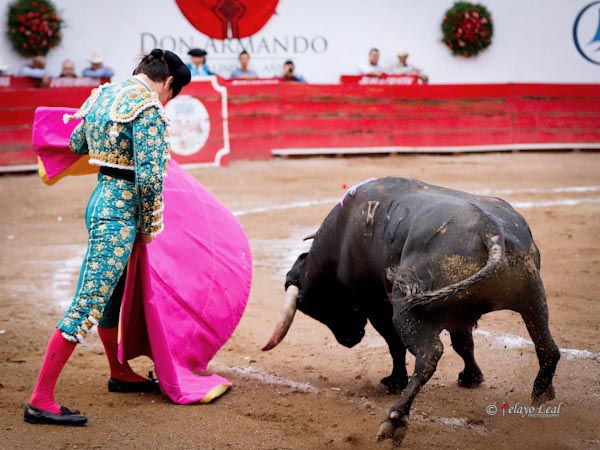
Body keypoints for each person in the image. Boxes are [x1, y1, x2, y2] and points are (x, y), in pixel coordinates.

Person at [23, 48, 191, 426]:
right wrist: (149, 228)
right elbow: (149, 178)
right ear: (168, 83)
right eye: (171, 93)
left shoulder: (102, 94)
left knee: (113, 293)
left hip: (100, 199)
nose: (167, 100)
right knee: (88, 302)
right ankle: (40, 398)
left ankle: (119, 371)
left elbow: (77, 144)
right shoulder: (148, 109)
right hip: (119, 215)